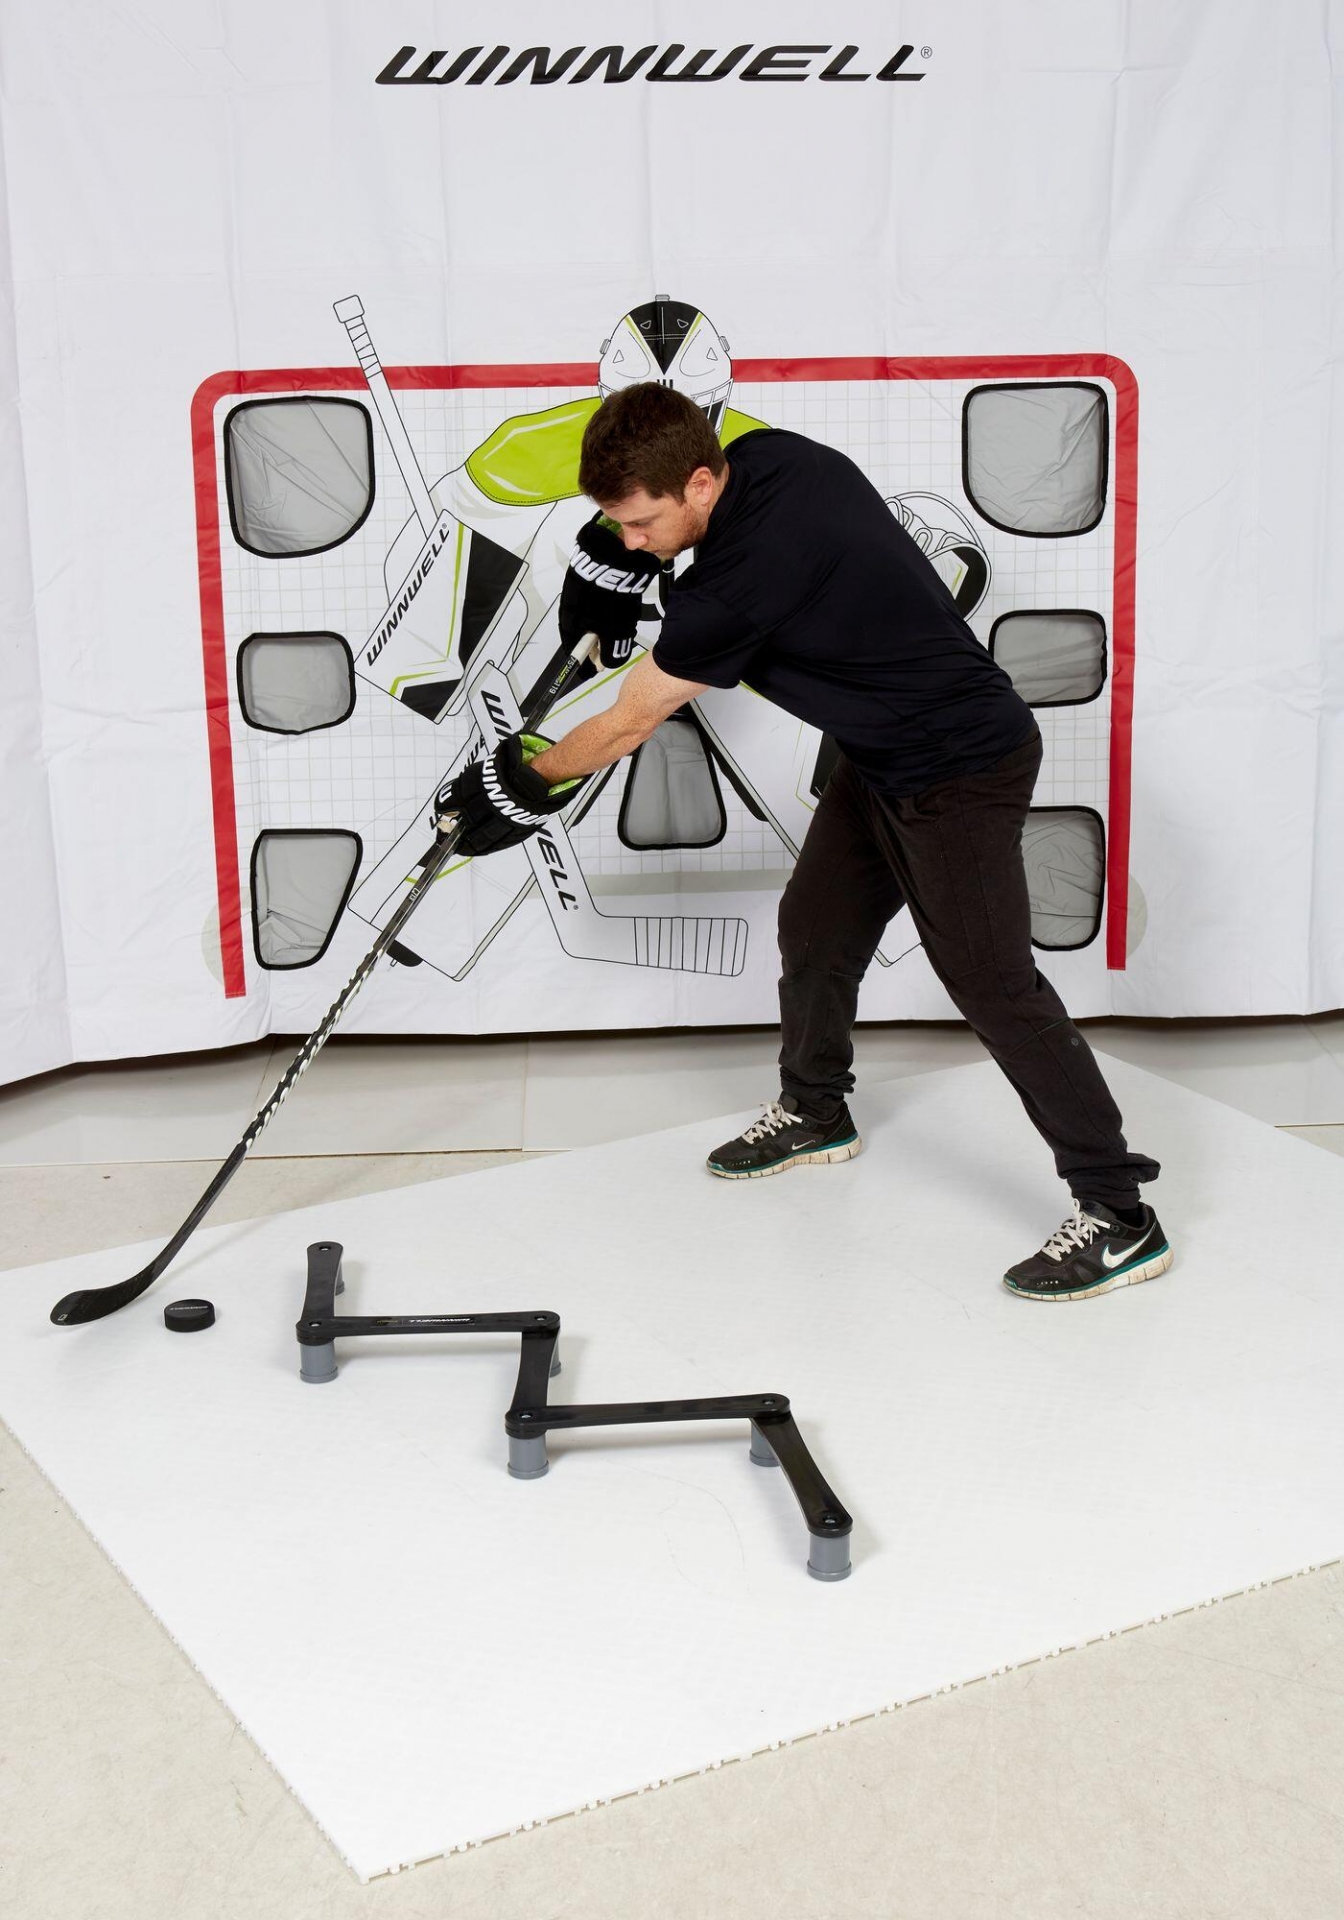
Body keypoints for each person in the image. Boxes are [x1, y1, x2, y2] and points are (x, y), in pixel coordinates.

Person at [436, 383, 1170, 1303]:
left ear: (700, 484)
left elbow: (629, 722)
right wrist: (611, 563)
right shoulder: (779, 458)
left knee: (993, 985)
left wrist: (521, 782)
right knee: (815, 930)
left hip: (959, 766)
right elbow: (681, 555)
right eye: (618, 525)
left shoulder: (737, 583)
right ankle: (817, 1111)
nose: (633, 537)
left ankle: (1119, 1214)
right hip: (882, 753)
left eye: (641, 523)